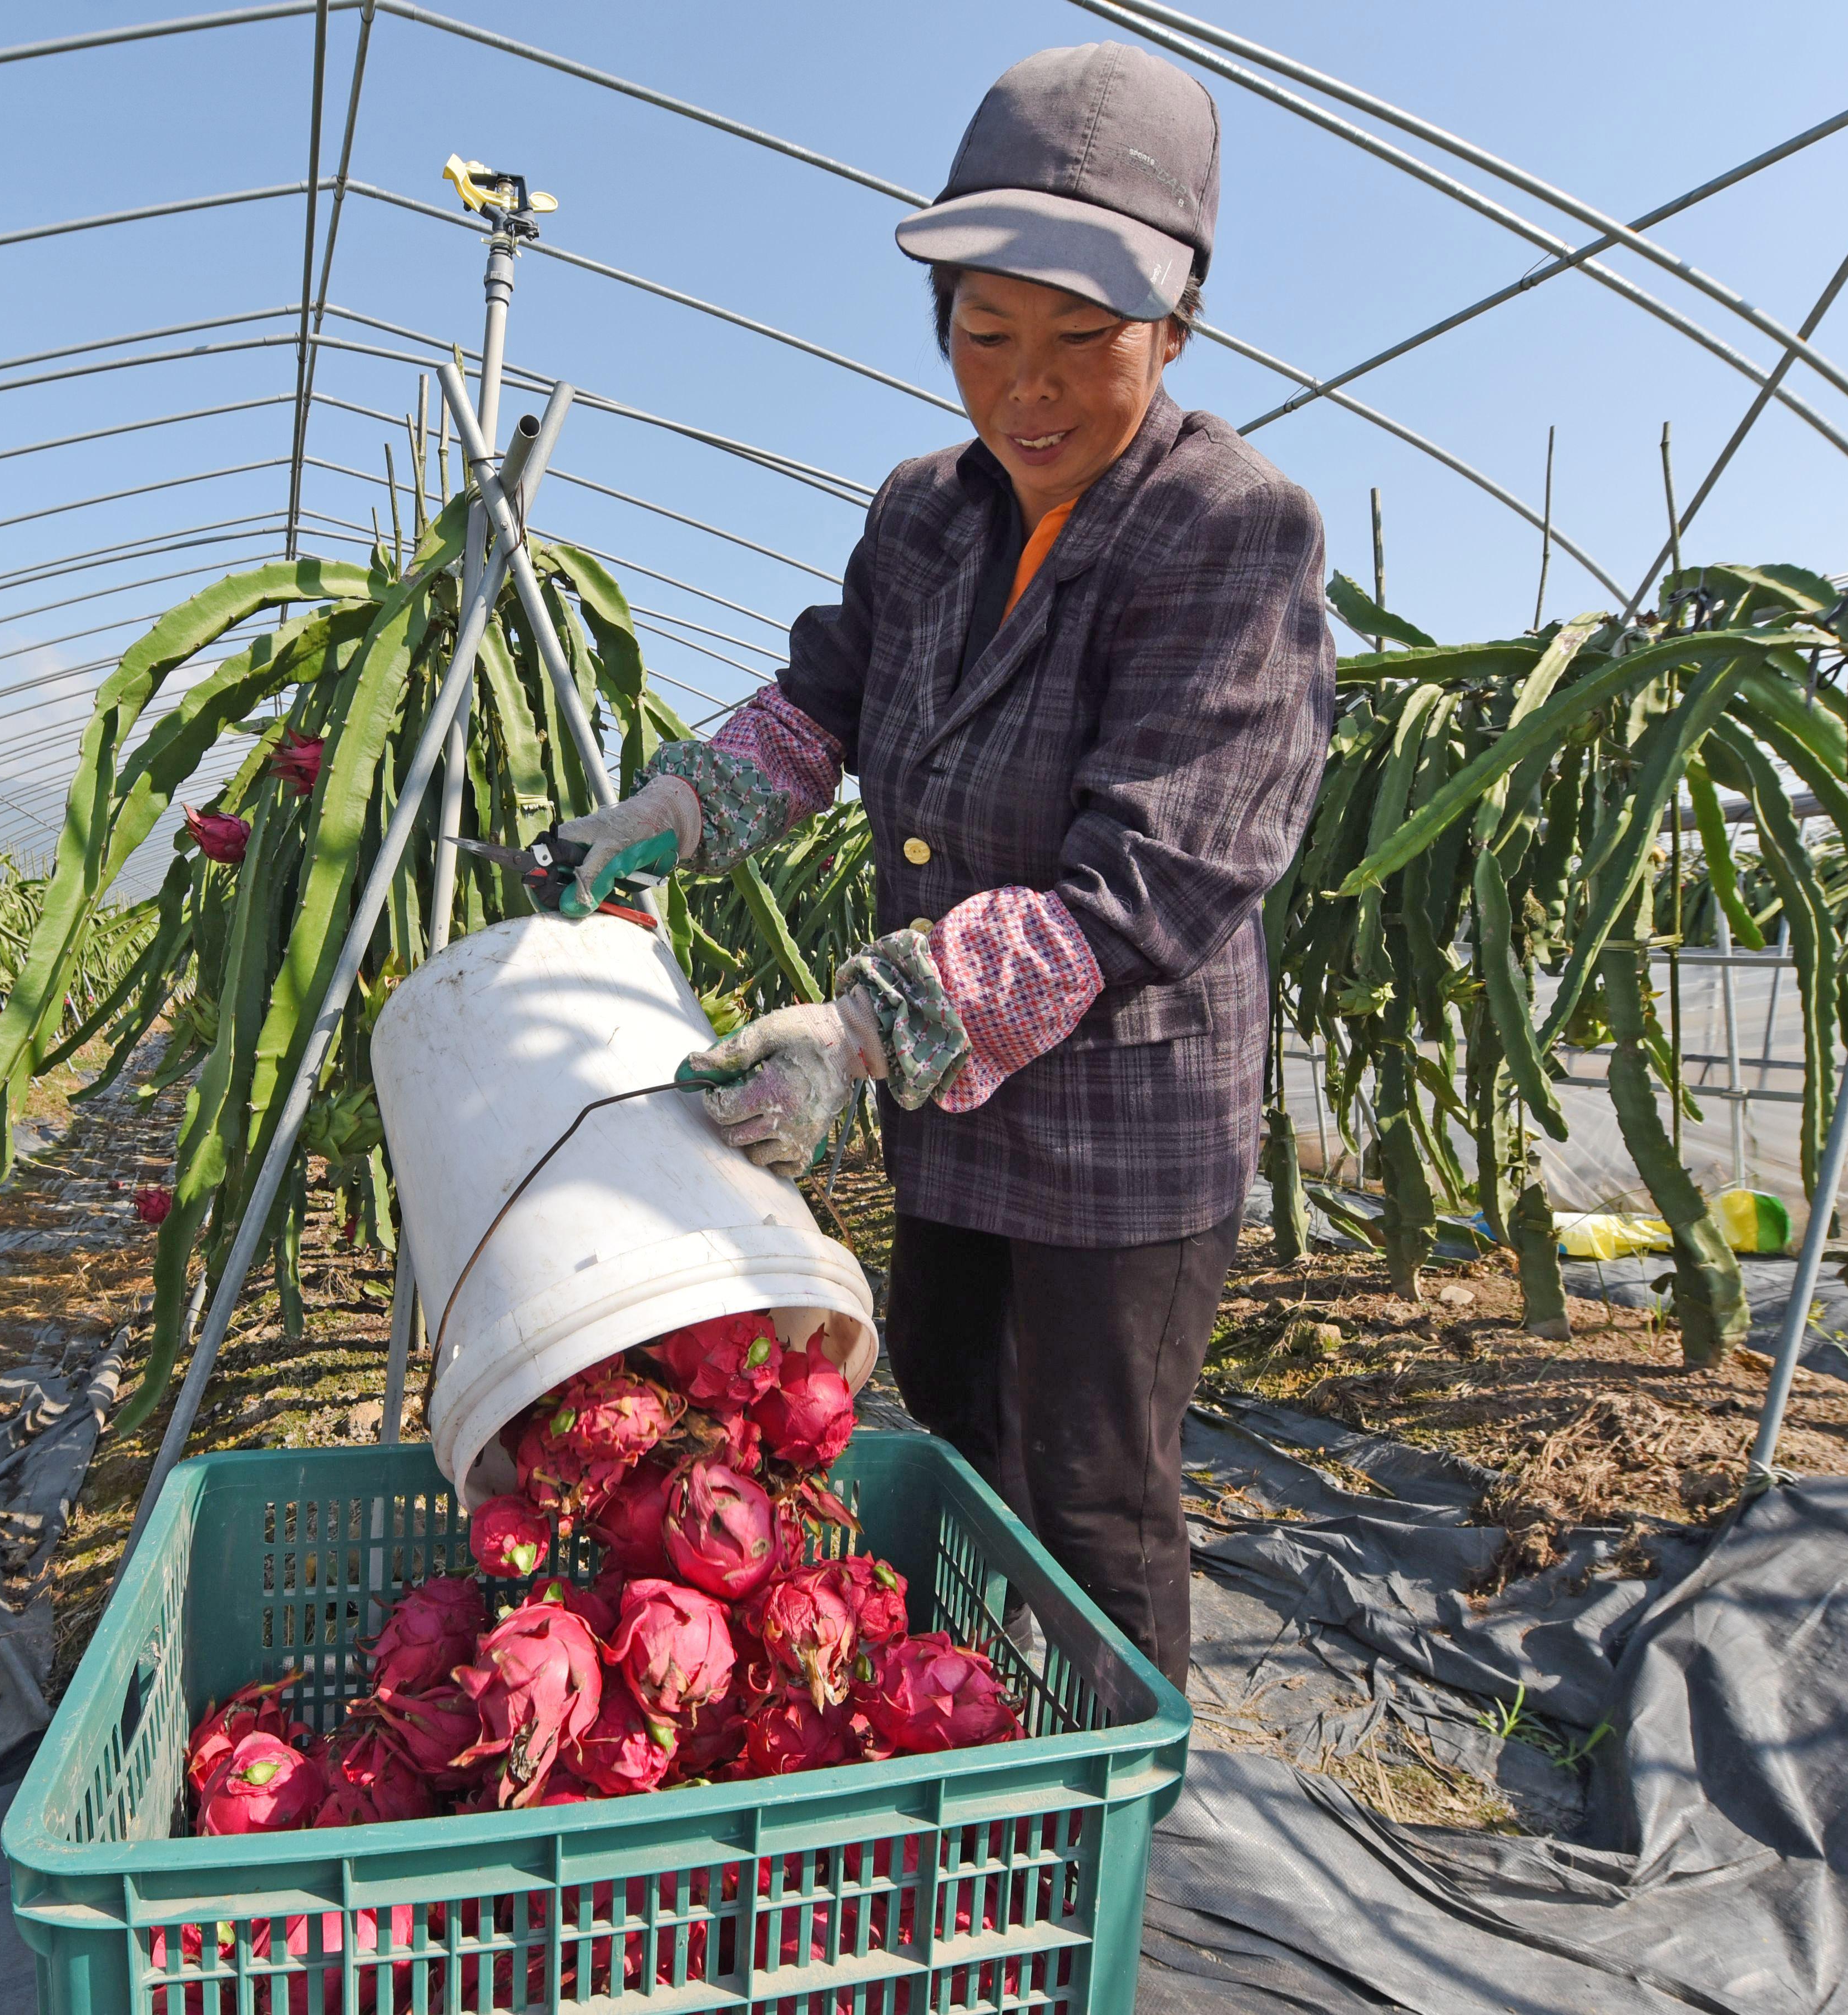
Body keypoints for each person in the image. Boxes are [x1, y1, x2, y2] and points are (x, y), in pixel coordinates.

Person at [557, 43, 1332, 1687]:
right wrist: (684, 808)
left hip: (1122, 1121)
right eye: (987, 336)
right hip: (954, 1104)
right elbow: (821, 697)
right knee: (955, 1413)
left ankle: (1107, 1805)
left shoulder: (1232, 530)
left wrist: (858, 1034)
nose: (1029, 389)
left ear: (1176, 330)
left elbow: (1157, 876)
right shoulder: (926, 513)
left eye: (1083, 344)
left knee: (1095, 1483)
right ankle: (957, 1723)